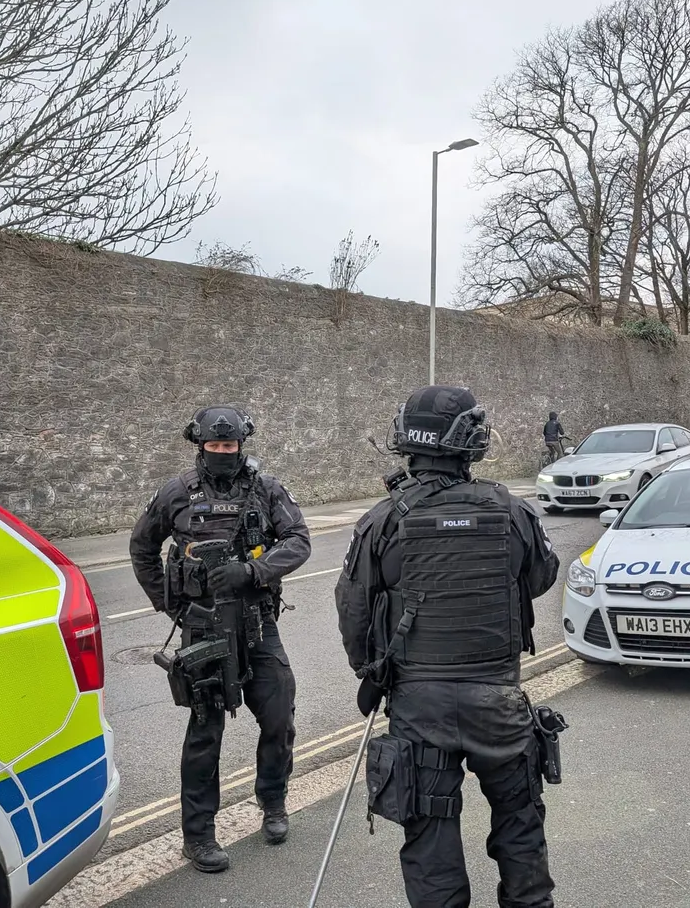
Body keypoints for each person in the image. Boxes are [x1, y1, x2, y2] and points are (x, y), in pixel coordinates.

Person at [335, 385, 562, 908]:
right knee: (520, 819)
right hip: (498, 698)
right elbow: (541, 577)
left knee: (430, 832)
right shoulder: (512, 511)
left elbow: (353, 606)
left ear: (406, 441)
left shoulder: (383, 519)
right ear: (470, 442)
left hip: (420, 703)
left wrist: (369, 671)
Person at [130, 405, 311, 873]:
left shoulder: (267, 489)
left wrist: (253, 570)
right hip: (203, 626)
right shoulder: (176, 492)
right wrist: (168, 603)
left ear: (241, 445)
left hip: (257, 623)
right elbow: (142, 546)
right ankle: (198, 836)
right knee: (205, 732)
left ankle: (273, 801)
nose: (222, 452)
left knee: (279, 717)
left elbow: (298, 540)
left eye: (229, 445)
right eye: (214, 445)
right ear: (200, 446)